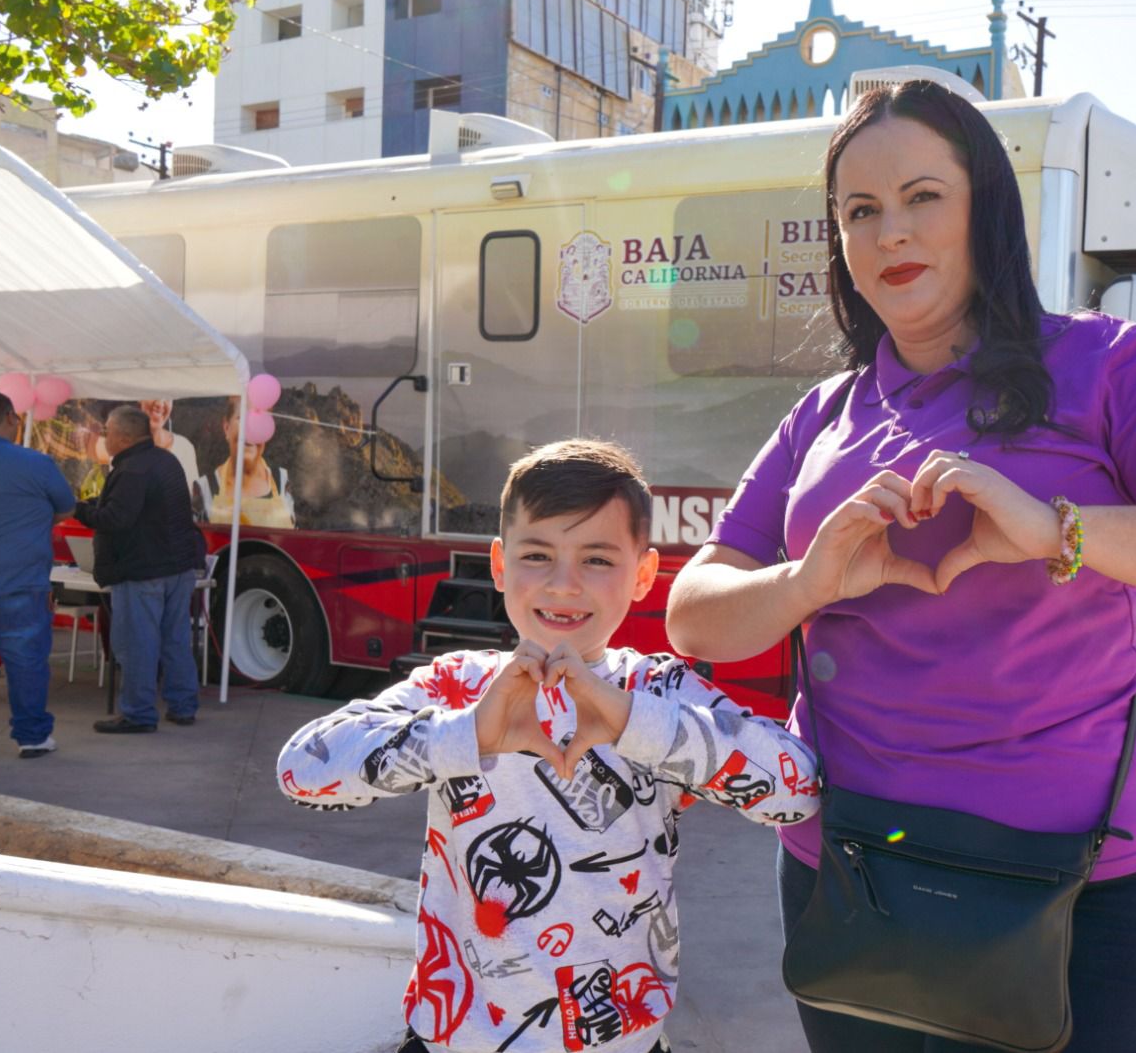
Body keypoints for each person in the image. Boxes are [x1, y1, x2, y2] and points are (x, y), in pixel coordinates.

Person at [665, 80, 1136, 1053]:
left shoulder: (1108, 364)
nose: (891, 231)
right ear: (839, 242)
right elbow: (695, 614)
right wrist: (808, 581)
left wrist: (1060, 530)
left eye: (922, 196)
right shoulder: (822, 416)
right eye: (860, 211)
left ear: (986, 208)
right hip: (851, 874)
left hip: (1078, 890)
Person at [275, 439, 819, 1053]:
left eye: (596, 559)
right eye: (538, 555)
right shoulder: (459, 687)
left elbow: (796, 790)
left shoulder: (656, 691)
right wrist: (469, 734)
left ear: (644, 575)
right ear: (500, 565)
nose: (564, 585)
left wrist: (629, 721)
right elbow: (303, 769)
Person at [75, 404, 205, 733]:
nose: (105, 436)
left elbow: (117, 519)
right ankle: (182, 706)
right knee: (174, 640)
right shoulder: (166, 460)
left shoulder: (132, 470)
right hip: (178, 567)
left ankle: (138, 714)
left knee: (137, 645)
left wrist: (78, 510)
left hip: (143, 570)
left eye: (108, 431)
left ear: (124, 436)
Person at [0, 390, 75, 757]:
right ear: (11, 417)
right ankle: (33, 737)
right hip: (20, 582)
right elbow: (66, 509)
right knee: (26, 666)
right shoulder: (36, 463)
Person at [194, 395, 295, 528]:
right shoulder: (204, 488)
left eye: (258, 422)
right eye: (242, 419)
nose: (250, 430)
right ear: (226, 427)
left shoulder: (282, 482)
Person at [139, 397, 201, 487]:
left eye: (167, 397)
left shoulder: (185, 448)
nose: (160, 404)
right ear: (139, 398)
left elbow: (192, 498)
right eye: (153, 393)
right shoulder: (122, 447)